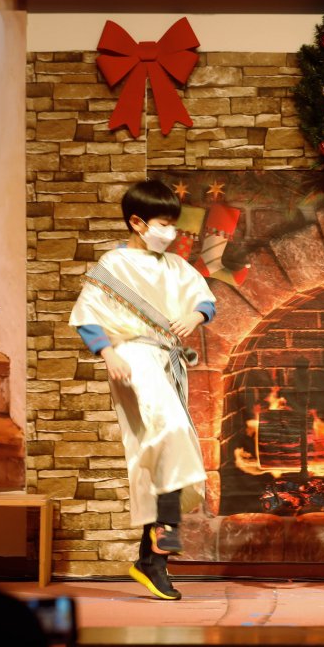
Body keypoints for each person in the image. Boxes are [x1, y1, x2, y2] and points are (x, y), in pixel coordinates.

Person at [69, 179, 216, 600]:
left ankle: (152, 559)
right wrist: (107, 353)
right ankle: (165, 530)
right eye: (163, 224)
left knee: (165, 448)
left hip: (166, 359)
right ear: (137, 222)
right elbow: (88, 313)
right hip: (131, 355)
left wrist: (195, 318)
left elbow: (204, 300)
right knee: (169, 430)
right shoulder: (115, 264)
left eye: (173, 224)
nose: (170, 232)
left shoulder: (175, 265)